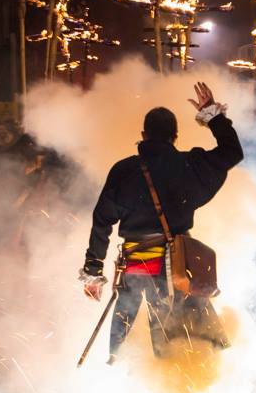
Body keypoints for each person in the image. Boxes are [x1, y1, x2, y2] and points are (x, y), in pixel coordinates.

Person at [80, 82, 243, 363]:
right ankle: (176, 392)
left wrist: (93, 271)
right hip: (177, 266)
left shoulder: (123, 170)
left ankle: (122, 371)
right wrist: (213, 116)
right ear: (175, 137)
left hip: (134, 264)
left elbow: (102, 222)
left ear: (143, 136)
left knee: (127, 331)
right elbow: (232, 152)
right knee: (179, 335)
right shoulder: (189, 164)